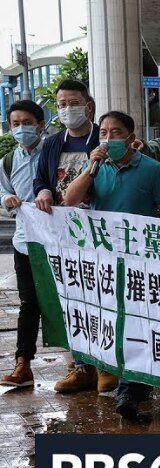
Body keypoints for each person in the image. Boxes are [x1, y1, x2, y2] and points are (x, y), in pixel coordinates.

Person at [63, 111, 160, 421]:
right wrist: (90, 168)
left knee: (139, 322)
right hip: (104, 261)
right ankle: (129, 381)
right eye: (103, 132)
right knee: (115, 321)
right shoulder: (95, 168)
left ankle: (129, 390)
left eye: (115, 132)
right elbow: (70, 200)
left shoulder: (152, 170)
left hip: (142, 261)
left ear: (130, 137)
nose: (108, 138)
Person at [30, 79, 117, 395]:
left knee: (103, 296)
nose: (67, 109)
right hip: (64, 236)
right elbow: (41, 178)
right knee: (72, 298)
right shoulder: (53, 143)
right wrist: (42, 190)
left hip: (101, 234)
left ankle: (107, 365)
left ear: (88, 107)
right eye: (62, 104)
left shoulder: (104, 140)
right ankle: (81, 366)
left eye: (74, 103)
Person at [0, 101, 46, 387]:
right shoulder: (7, 161)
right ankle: (23, 363)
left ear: (41, 125)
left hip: (59, 243)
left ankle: (81, 364)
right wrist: (7, 199)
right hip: (24, 242)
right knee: (28, 303)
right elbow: (2, 192)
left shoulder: (54, 152)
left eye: (27, 123)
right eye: (15, 124)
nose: (21, 128)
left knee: (66, 301)